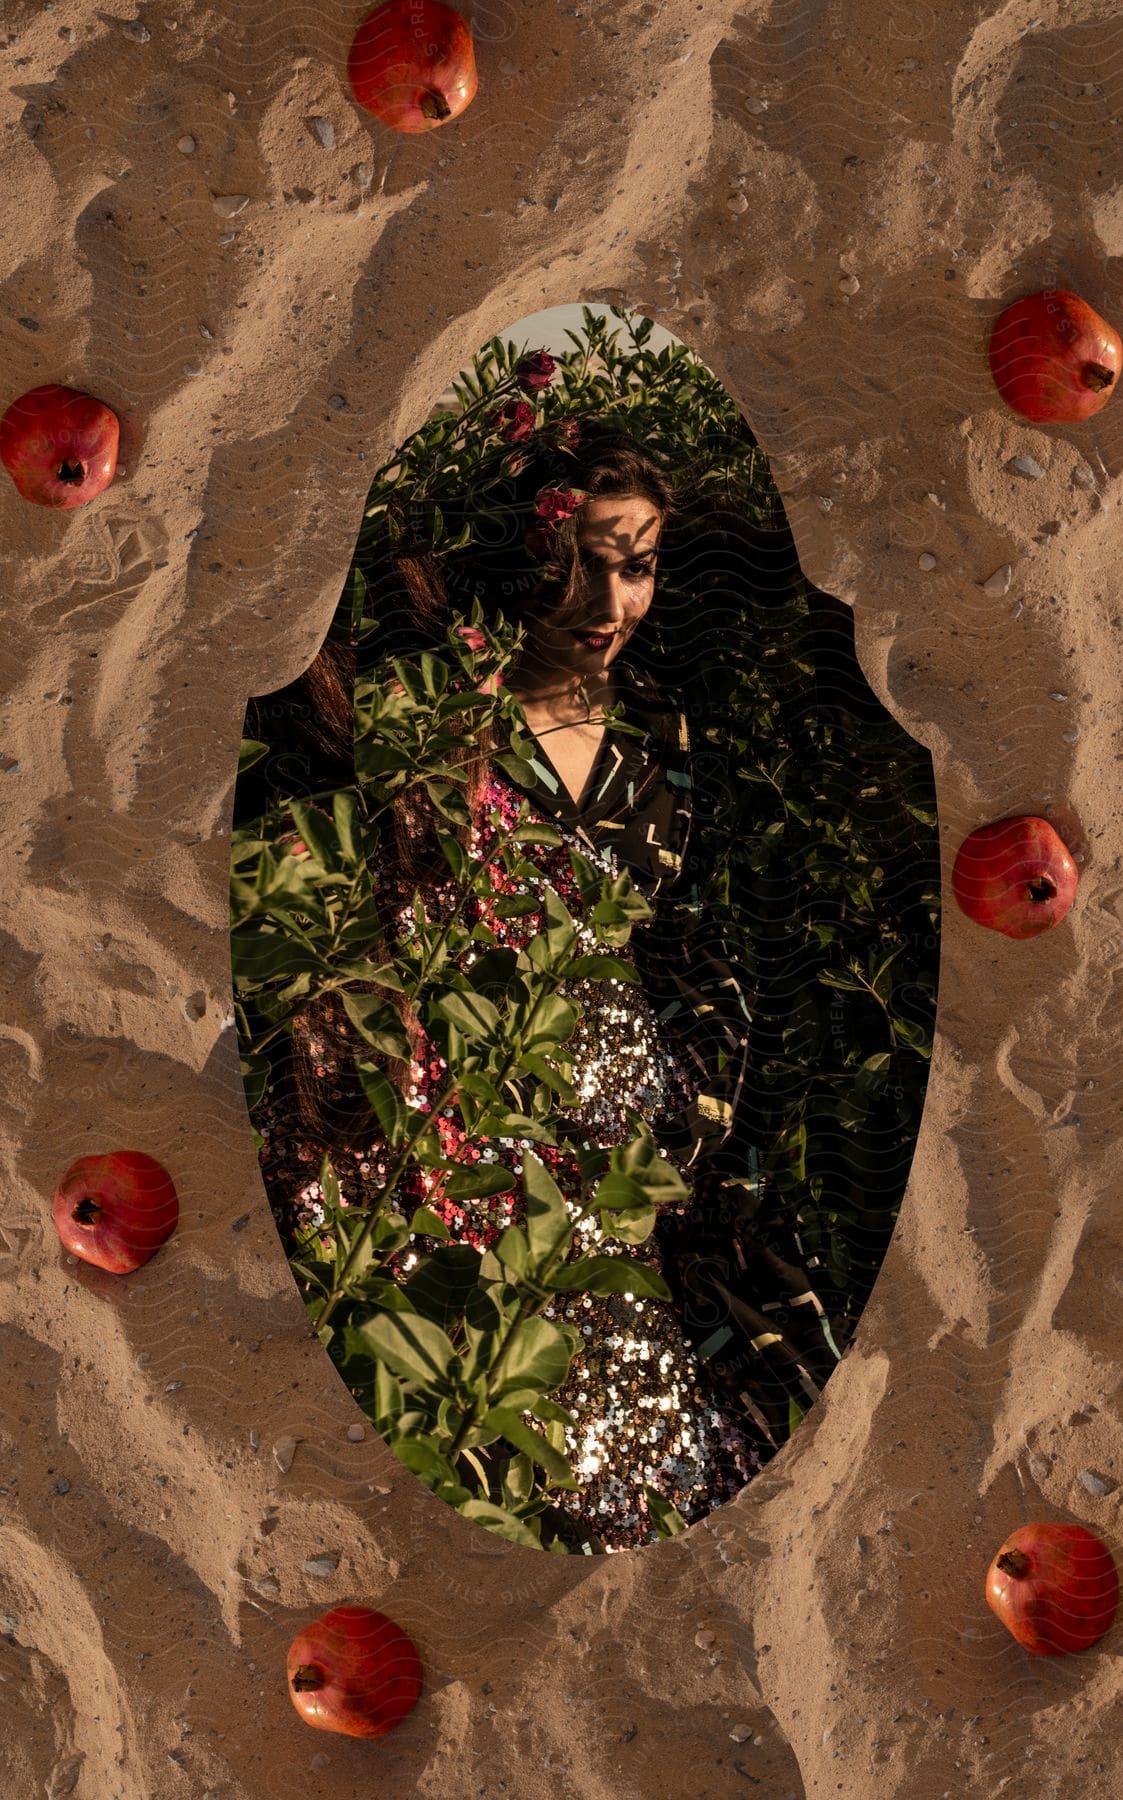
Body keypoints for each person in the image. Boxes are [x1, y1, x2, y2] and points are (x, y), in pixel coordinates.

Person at [246, 416, 798, 1552]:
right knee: (475, 1419)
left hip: (614, 1152)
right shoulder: (443, 718)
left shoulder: (656, 736)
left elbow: (668, 942)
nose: (608, 604)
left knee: (625, 1434)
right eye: (582, 564)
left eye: (635, 566)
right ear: (526, 559)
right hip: (462, 1122)